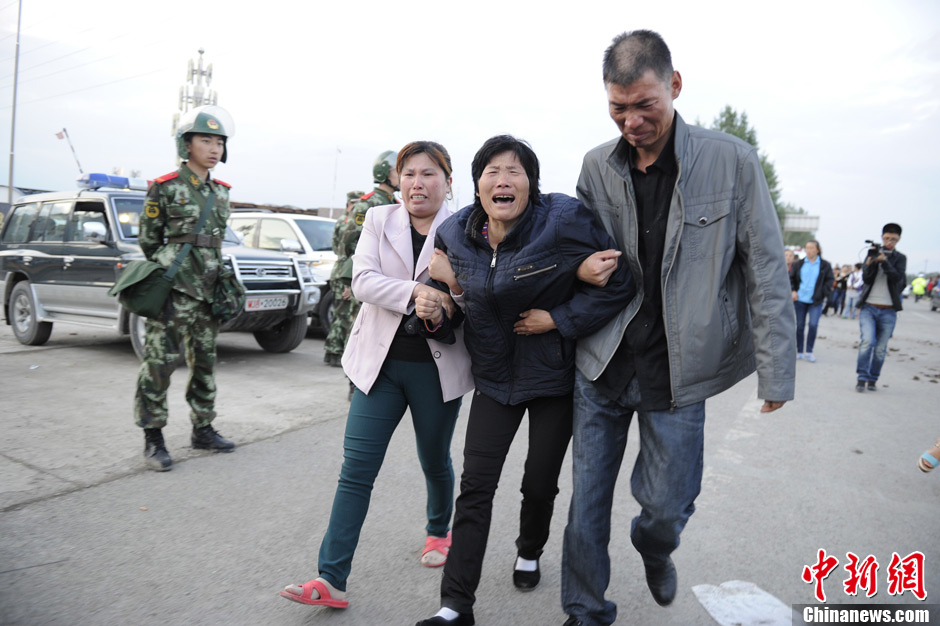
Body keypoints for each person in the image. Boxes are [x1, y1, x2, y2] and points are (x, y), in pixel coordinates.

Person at [561, 30, 796, 626]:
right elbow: (571, 250)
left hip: (679, 368)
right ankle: (585, 610)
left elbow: (766, 268)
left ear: (675, 85)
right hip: (603, 360)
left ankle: (654, 546)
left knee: (667, 506)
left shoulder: (732, 162)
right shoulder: (596, 166)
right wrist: (576, 270)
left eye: (645, 105)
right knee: (587, 503)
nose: (631, 122)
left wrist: (777, 371)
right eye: (618, 109)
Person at [414, 135, 633, 626]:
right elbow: (450, 312)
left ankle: (529, 548)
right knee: (475, 487)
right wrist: (436, 309)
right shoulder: (454, 234)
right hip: (494, 380)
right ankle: (455, 605)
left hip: (553, 378)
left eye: (514, 171)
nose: (503, 180)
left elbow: (620, 281)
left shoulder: (562, 221)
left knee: (538, 483)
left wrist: (558, 319)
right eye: (492, 172)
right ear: (477, 185)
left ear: (531, 184)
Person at [279, 142, 474, 610]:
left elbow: (476, 294)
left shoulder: (467, 227)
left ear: (448, 182)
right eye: (408, 174)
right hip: (379, 367)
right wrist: (418, 293)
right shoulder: (377, 219)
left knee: (434, 458)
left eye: (429, 174)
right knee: (356, 471)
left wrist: (448, 295)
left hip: (436, 370)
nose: (417, 183)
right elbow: (362, 280)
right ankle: (331, 578)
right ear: (397, 180)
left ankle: (438, 530)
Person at [135, 105, 238, 472]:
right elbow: (149, 241)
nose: (214, 149)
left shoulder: (221, 192)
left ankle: (203, 429)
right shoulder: (165, 187)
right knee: (160, 363)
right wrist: (172, 269)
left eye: (219, 143)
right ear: (187, 144)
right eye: (205, 141)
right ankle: (153, 437)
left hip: (209, 291)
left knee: (205, 362)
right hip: (176, 289)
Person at [323, 151, 399, 368]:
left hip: (385, 277)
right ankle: (353, 375)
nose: (402, 175)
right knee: (358, 323)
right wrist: (351, 278)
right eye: (398, 171)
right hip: (365, 274)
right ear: (383, 172)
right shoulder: (367, 204)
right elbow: (350, 244)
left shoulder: (394, 203)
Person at [855, 223, 906, 392]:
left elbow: (897, 279)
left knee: (880, 349)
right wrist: (870, 263)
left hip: (888, 310)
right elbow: (866, 279)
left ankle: (872, 379)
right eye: (886, 238)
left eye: (893, 239)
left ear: (898, 239)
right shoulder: (873, 253)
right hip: (869, 307)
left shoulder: (900, 258)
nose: (889, 242)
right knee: (867, 342)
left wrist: (885, 262)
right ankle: (862, 378)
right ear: (882, 237)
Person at [322, 190, 364, 369]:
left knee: (340, 314)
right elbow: (344, 249)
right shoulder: (348, 222)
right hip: (345, 273)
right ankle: (335, 351)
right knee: (344, 315)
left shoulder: (342, 220)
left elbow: (335, 247)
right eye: (355, 203)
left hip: (340, 271)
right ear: (349, 204)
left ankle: (333, 351)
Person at [790, 240, 834, 362]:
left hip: (816, 301)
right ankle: (799, 350)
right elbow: (791, 278)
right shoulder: (799, 264)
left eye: (811, 248)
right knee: (800, 326)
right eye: (807, 248)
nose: (808, 250)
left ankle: (809, 351)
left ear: (817, 250)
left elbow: (829, 280)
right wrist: (793, 291)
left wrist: (823, 293)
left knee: (813, 325)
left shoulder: (825, 265)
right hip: (800, 299)